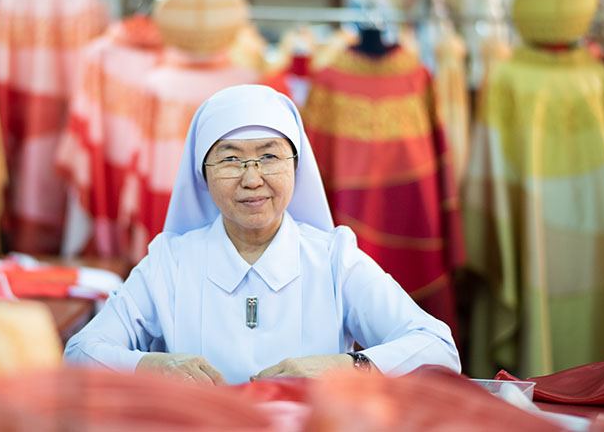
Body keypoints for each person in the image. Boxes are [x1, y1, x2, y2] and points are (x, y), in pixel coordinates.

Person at [64, 84, 460, 385]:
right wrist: (153, 365)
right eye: (231, 159)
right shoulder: (170, 262)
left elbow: (439, 350)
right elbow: (80, 352)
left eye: (269, 156)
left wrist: (346, 366)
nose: (252, 179)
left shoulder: (334, 258)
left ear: (295, 166)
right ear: (202, 174)